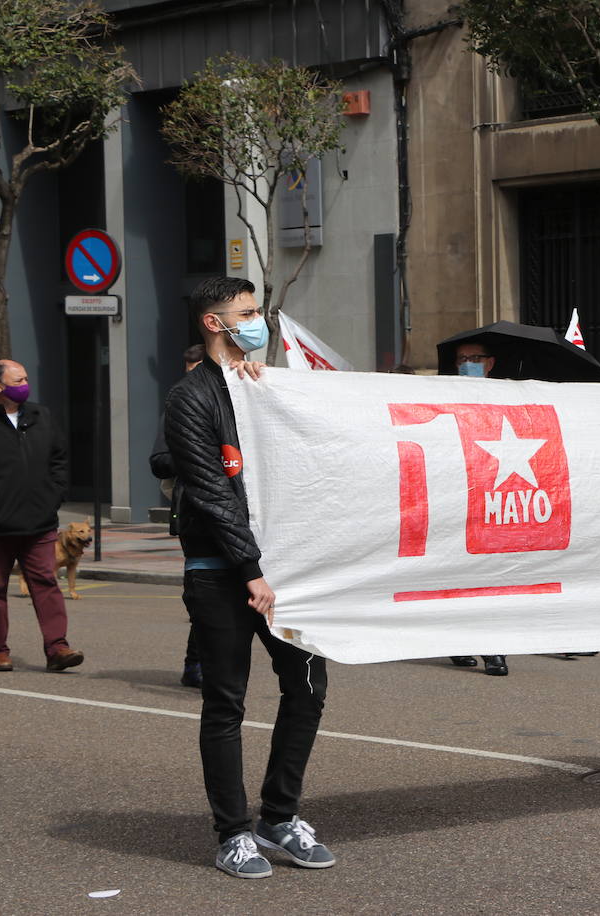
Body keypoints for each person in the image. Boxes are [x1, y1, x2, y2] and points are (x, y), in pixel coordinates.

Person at [164, 276, 334, 878]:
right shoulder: (190, 399)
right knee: (226, 702)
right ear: (215, 323)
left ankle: (280, 818)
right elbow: (213, 493)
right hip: (222, 574)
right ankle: (233, 833)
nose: (258, 320)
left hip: (284, 573)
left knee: (308, 688)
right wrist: (251, 570)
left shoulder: (262, 387)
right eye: (248, 312)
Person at [0, 359, 84, 673]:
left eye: (25, 378)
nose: (24, 384)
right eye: (17, 379)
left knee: (46, 584)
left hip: (39, 523)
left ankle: (57, 648)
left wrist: (54, 496)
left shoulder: (41, 415)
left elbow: (59, 460)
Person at [447, 340, 510, 676]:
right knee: (462, 575)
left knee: (492, 577)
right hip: (460, 497)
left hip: (497, 498)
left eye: (475, 358)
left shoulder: (505, 397)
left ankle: (494, 647)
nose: (468, 363)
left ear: (490, 363)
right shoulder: (446, 396)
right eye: (462, 359)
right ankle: (459, 641)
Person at [150, 343, 208, 688]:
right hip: (194, 513)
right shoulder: (177, 405)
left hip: (241, 515)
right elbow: (159, 461)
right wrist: (195, 453)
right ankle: (195, 664)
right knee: (203, 594)